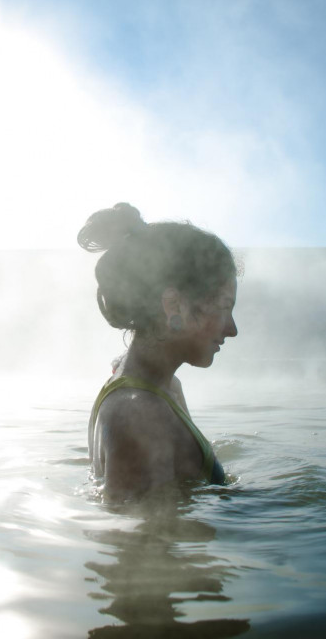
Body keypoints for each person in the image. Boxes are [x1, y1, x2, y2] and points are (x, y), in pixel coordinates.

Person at [78, 202, 238, 501]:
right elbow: (142, 544)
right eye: (224, 307)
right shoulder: (140, 416)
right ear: (174, 305)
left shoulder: (158, 389)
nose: (232, 329)